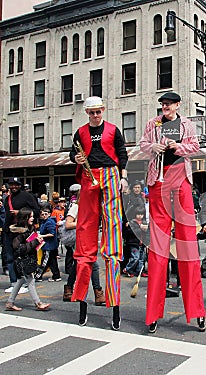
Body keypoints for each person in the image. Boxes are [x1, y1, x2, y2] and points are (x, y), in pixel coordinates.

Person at [140, 92, 206, 334]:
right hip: (158, 181)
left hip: (181, 181)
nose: (165, 107)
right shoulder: (153, 124)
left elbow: (195, 147)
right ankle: (153, 313)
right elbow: (143, 144)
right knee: (158, 248)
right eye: (163, 104)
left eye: (169, 104)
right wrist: (153, 146)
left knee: (188, 245)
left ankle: (197, 311)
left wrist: (177, 146)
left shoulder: (186, 124)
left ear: (178, 105)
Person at [69, 96, 128, 331]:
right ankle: (82, 301)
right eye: (91, 112)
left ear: (103, 110)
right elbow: (71, 153)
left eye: (98, 111)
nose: (95, 115)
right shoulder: (80, 132)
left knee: (113, 235)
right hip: (88, 175)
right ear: (87, 113)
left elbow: (122, 153)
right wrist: (75, 157)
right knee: (84, 235)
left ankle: (114, 305)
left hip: (111, 174)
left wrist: (122, 177)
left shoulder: (113, 130)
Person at [62, 184, 105, 306]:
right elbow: (68, 224)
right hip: (79, 240)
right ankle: (98, 293)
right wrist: (84, 223)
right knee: (93, 264)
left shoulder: (92, 207)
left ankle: (68, 289)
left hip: (88, 239)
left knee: (78, 264)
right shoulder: (76, 207)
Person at [5, 207, 50, 311]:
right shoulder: (18, 232)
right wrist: (35, 242)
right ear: (25, 218)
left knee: (20, 280)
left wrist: (37, 241)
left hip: (28, 259)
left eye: (33, 216)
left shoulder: (30, 228)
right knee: (30, 281)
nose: (32, 218)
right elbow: (19, 249)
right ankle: (38, 303)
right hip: (22, 260)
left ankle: (10, 302)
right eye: (30, 216)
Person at [3, 177, 40, 294]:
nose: (13, 187)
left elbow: (36, 210)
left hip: (23, 232)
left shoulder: (27, 196)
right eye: (11, 185)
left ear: (20, 185)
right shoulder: (7, 198)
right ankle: (13, 283)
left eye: (16, 184)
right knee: (9, 258)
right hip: (9, 230)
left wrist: (20, 212)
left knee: (23, 257)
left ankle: (23, 283)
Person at [36, 206, 62, 281]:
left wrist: (42, 236)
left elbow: (52, 233)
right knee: (52, 261)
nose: (44, 216)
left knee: (45, 261)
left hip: (49, 245)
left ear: (49, 214)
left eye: (46, 214)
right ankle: (56, 276)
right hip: (50, 245)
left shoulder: (49, 222)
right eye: (42, 214)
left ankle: (38, 276)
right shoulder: (45, 222)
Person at [122, 205, 149, 278]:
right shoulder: (132, 223)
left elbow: (147, 234)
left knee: (141, 259)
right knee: (135, 257)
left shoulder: (144, 222)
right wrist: (140, 228)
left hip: (141, 243)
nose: (140, 216)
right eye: (138, 214)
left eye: (141, 214)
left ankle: (139, 271)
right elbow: (131, 232)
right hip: (134, 243)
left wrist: (147, 243)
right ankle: (128, 269)